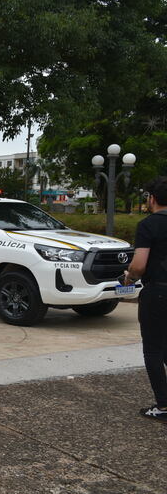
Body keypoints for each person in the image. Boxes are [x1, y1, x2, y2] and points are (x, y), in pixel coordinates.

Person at [124, 176, 167, 423]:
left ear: (152, 199)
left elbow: (139, 265)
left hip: (158, 293)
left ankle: (163, 405)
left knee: (153, 350)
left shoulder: (148, 225)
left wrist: (129, 277)